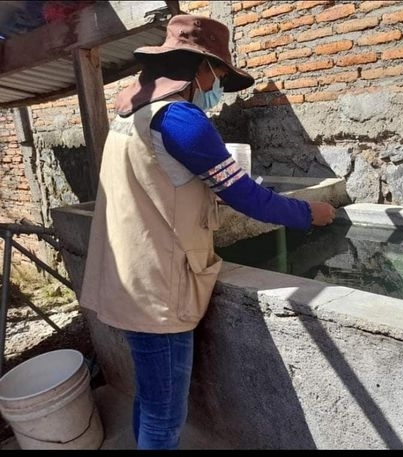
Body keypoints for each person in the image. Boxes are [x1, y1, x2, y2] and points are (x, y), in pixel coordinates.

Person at [79, 14, 336, 450]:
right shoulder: (181, 121)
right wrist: (311, 213)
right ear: (198, 68)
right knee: (166, 413)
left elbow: (157, 179)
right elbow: (248, 199)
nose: (216, 85)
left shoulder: (132, 108)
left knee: (150, 395)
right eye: (216, 73)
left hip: (127, 276)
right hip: (159, 288)